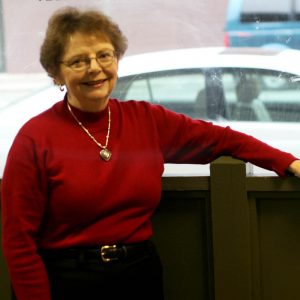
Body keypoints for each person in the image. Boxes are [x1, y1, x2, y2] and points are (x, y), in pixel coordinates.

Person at [1, 6, 300, 300]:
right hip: (67, 281)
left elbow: (220, 139)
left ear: (116, 59)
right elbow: (18, 242)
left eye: (104, 55)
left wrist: (287, 161)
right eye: (78, 61)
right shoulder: (34, 139)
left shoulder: (146, 120)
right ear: (56, 72)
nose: (95, 67)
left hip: (139, 275)